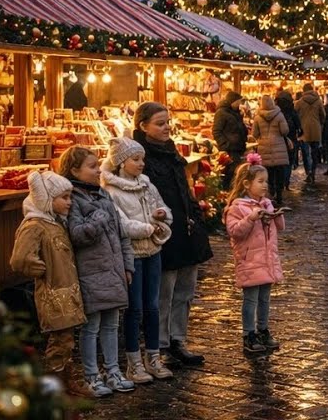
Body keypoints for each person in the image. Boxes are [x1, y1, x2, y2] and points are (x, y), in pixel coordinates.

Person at [134, 101, 214, 366]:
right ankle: (160, 344)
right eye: (160, 123)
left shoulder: (171, 152)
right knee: (163, 292)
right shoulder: (138, 158)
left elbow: (184, 188)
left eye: (167, 122)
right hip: (161, 232)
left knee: (185, 290)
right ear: (143, 126)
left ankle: (179, 339)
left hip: (185, 229)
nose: (166, 127)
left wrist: (196, 216)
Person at [9, 169, 94, 398]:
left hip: (67, 291)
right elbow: (20, 259)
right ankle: (55, 385)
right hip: (53, 293)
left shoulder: (55, 222)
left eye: (70, 197)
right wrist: (40, 269)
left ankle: (66, 379)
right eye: (64, 198)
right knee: (59, 340)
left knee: (66, 339)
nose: (70, 202)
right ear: (47, 199)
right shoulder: (35, 225)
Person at [99, 136, 175, 383]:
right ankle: (133, 362)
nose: (142, 163)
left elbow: (164, 208)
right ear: (121, 163)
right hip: (133, 255)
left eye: (142, 159)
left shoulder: (147, 186)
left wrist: (163, 215)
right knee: (134, 309)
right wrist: (149, 228)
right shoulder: (111, 192)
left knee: (153, 306)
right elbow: (122, 224)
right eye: (135, 159)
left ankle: (153, 356)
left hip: (153, 251)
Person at [61, 146, 134, 396]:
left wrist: (127, 265)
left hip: (113, 271)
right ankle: (91, 375)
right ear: (74, 170)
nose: (98, 170)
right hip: (91, 273)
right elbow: (77, 234)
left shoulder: (103, 195)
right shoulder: (73, 199)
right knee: (91, 327)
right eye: (92, 166)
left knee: (112, 325)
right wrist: (98, 220)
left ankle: (113, 370)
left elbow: (122, 234)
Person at [223, 160, 285, 355]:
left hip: (266, 260)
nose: (265, 185)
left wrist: (275, 212)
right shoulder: (237, 207)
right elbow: (235, 232)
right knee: (250, 300)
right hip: (249, 261)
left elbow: (280, 227)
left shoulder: (265, 203)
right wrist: (250, 218)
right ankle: (248, 334)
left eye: (266, 181)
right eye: (260, 181)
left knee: (265, 298)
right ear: (247, 184)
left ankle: (263, 330)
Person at [252, 94, 292, 205]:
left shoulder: (258, 117)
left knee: (267, 175)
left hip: (264, 148)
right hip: (279, 147)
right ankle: (279, 197)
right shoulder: (279, 115)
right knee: (279, 173)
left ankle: (269, 196)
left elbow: (255, 134)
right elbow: (285, 131)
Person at [212, 91, 248, 190]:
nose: (239, 104)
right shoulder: (221, 113)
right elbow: (216, 131)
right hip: (229, 149)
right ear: (232, 101)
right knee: (229, 176)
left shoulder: (236, 113)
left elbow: (239, 128)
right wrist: (224, 145)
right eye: (238, 101)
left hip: (238, 148)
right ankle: (228, 196)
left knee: (236, 175)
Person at [296, 84, 324, 183]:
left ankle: (308, 172)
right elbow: (323, 115)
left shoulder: (299, 102)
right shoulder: (319, 101)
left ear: (303, 90)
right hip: (316, 130)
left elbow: (295, 115)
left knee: (305, 153)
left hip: (304, 131)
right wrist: (319, 123)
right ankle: (313, 172)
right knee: (314, 153)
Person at [275, 86, 302, 172]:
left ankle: (281, 181)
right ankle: (286, 182)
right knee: (289, 161)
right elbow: (298, 124)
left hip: (279, 139)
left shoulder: (276, 111)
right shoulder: (292, 111)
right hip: (291, 138)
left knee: (280, 161)